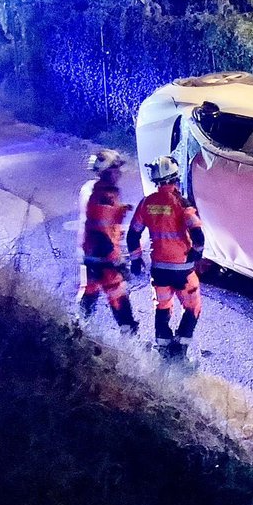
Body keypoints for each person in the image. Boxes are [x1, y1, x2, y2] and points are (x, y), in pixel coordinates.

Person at [127, 155, 204, 361]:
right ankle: (180, 348)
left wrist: (136, 259)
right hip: (182, 269)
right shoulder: (181, 203)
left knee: (162, 308)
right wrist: (198, 251)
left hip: (159, 270)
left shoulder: (147, 203)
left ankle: (163, 350)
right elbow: (197, 232)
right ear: (175, 177)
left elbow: (133, 235)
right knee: (192, 307)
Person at [77, 148, 139, 333]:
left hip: (89, 254)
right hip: (104, 257)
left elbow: (96, 219)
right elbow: (101, 231)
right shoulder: (106, 195)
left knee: (89, 293)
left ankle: (78, 331)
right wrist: (117, 261)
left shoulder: (93, 189)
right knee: (118, 296)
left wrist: (120, 209)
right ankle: (130, 339)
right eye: (116, 169)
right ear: (107, 171)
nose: (119, 172)